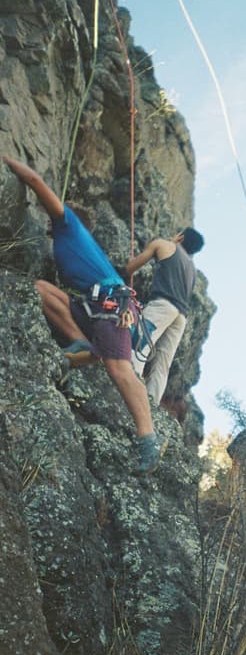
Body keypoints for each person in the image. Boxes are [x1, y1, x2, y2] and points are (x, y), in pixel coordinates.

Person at [2, 155, 165, 475]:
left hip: (112, 306)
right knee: (40, 289)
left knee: (119, 370)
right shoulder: (69, 243)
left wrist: (6, 158)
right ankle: (82, 345)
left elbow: (36, 182)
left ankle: (149, 438)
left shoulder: (68, 225)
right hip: (92, 307)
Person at [124, 226, 204, 406]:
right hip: (180, 317)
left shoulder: (164, 245)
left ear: (181, 237)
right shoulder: (192, 269)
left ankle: (130, 390)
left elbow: (131, 268)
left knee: (139, 344)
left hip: (162, 306)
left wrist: (128, 266)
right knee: (162, 364)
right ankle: (151, 404)